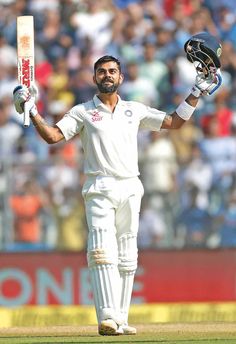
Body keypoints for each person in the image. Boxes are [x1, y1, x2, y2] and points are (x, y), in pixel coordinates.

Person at [12, 46, 222, 336]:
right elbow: (53, 137)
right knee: (101, 250)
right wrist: (32, 110)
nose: (107, 75)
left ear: (120, 77)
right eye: (101, 71)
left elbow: (175, 122)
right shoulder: (83, 112)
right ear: (94, 77)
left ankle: (120, 319)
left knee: (127, 254)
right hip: (99, 186)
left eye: (112, 71)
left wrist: (196, 92)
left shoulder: (133, 110)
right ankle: (106, 316)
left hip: (131, 185)